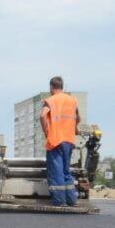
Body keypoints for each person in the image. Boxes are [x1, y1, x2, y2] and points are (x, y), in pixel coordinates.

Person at [40, 76, 81, 207]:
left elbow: (42, 116)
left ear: (51, 87)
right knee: (66, 170)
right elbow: (78, 117)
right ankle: (71, 200)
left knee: (56, 171)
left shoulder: (50, 100)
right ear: (62, 87)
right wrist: (73, 128)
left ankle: (60, 201)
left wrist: (46, 131)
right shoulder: (72, 100)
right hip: (69, 140)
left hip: (55, 140)